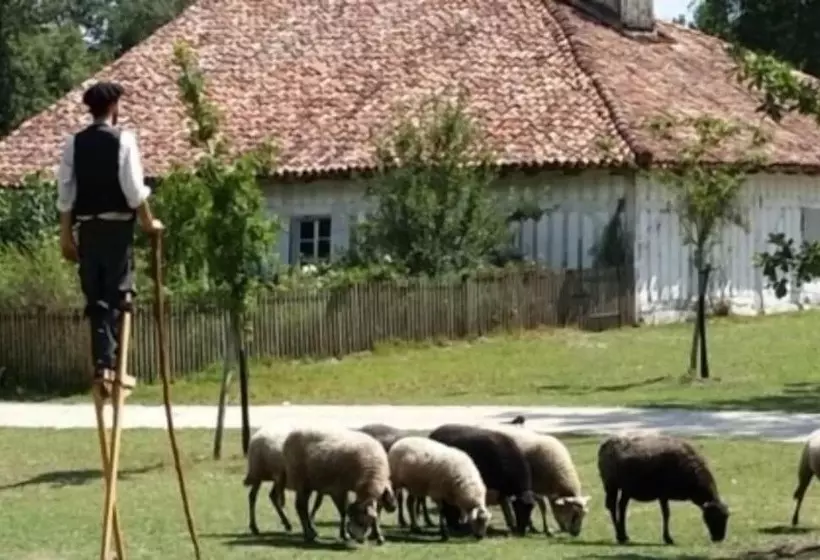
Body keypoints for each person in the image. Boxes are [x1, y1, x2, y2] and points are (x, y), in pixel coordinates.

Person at [57, 81, 164, 398]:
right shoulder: (124, 141)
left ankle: (103, 365)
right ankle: (115, 370)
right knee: (119, 294)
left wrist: (65, 235)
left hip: (87, 229)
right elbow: (133, 190)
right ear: (114, 107)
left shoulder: (73, 144)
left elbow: (66, 194)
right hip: (117, 229)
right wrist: (149, 222)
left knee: (96, 298)